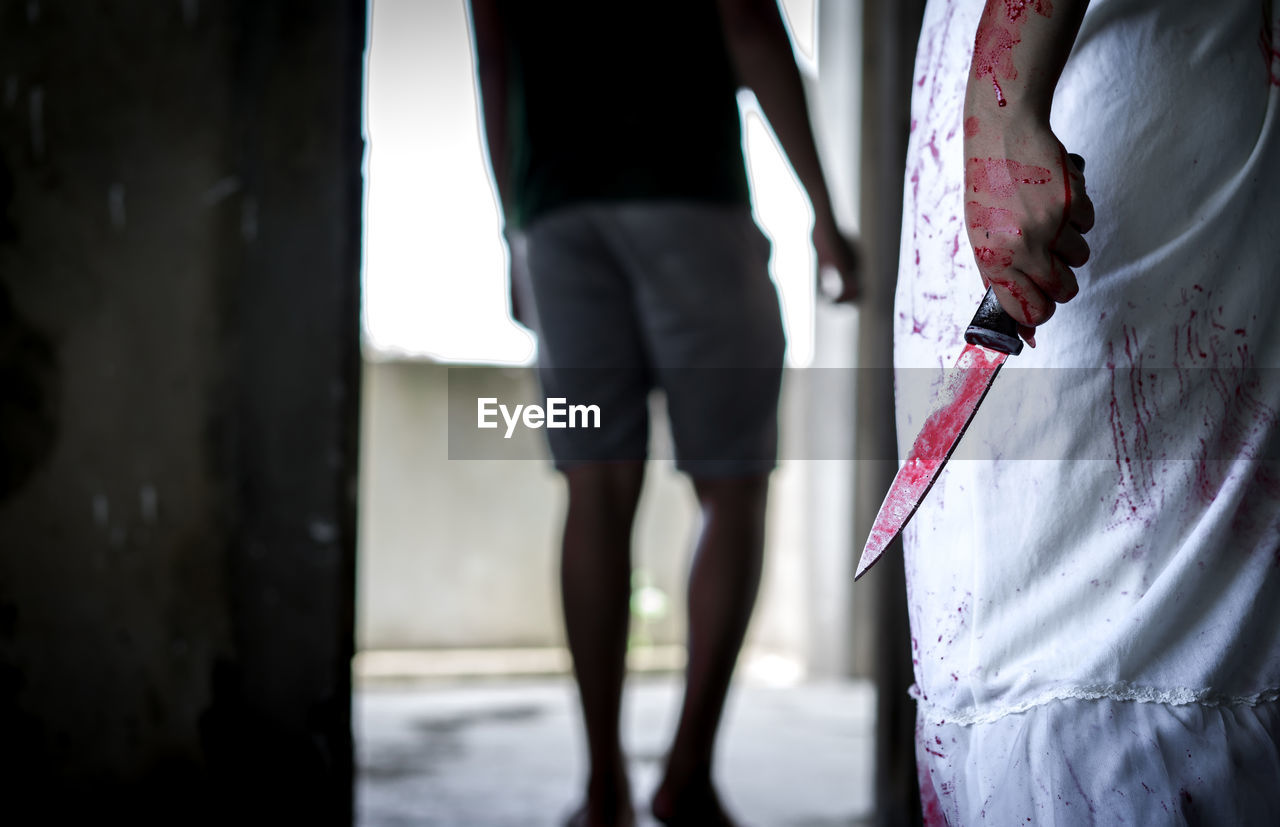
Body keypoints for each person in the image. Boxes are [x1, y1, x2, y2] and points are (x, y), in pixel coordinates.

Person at [466, 1, 858, 825]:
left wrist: (517, 235)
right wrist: (823, 204)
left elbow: (495, 63)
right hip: (690, 200)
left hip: (560, 218)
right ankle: (685, 777)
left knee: (593, 488)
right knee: (731, 485)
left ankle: (602, 788)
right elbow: (747, 20)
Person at [896, 0, 1280, 821]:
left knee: (1116, 672)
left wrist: (1003, 93)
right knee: (1013, 672)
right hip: (1034, 111)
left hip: (1088, 83)